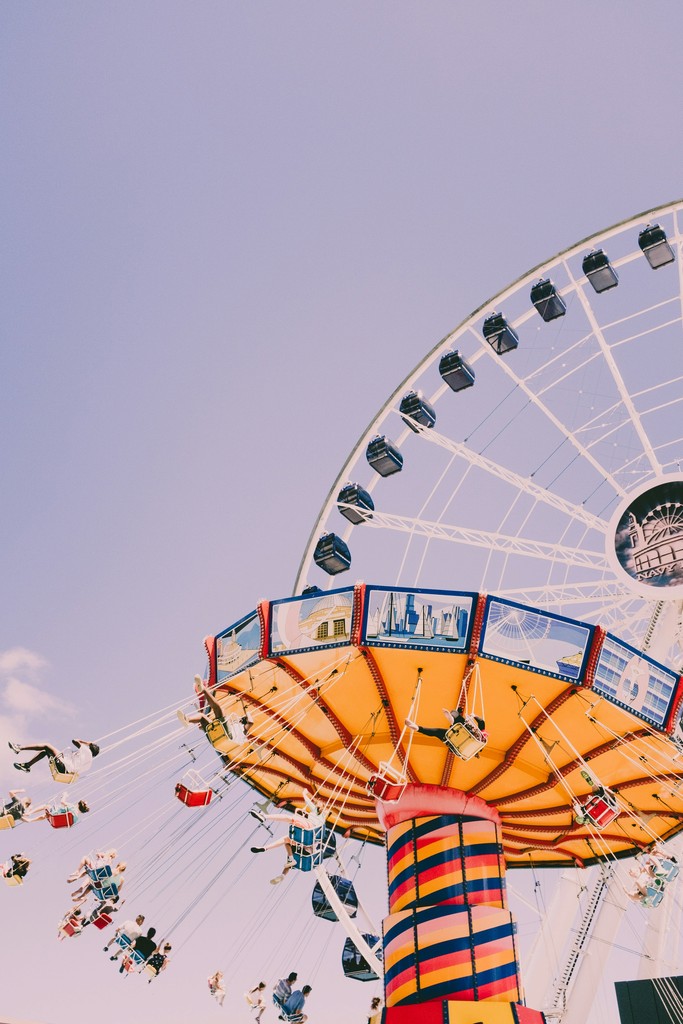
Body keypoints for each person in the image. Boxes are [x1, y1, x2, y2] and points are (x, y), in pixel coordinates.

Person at [177, 676, 253, 742]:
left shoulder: (243, 730)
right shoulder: (233, 727)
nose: (239, 720)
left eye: (241, 720)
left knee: (219, 709)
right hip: (218, 738)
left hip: (228, 737)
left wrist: (248, 713)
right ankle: (187, 719)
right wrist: (203, 726)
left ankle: (203, 690)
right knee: (202, 717)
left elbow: (250, 722)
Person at [10, 737, 100, 776]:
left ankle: (19, 748)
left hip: (64, 766)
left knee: (47, 745)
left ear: (90, 747)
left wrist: (87, 742)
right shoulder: (88, 763)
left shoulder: (87, 751)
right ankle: (27, 765)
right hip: (64, 771)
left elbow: (75, 740)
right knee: (45, 751)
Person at [405, 708, 486, 744]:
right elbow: (481, 723)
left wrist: (474, 716)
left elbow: (481, 722)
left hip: (461, 735)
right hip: (455, 740)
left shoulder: (479, 736)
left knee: (455, 714)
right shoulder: (479, 739)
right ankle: (418, 728)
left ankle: (452, 720)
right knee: (437, 732)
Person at [25, 792, 90, 825]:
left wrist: (64, 795)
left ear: (78, 805)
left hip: (56, 814)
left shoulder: (72, 806)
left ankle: (29, 813)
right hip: (57, 822)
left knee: (46, 806)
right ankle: (30, 820)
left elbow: (62, 802)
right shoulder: (76, 818)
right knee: (46, 815)